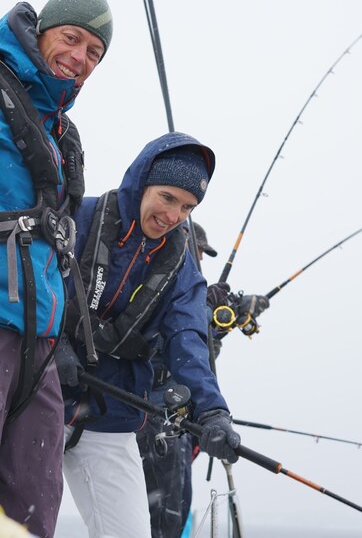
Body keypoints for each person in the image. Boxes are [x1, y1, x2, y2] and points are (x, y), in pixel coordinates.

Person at [55, 131, 242, 538]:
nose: (175, 215)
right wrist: (53, 346)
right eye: (168, 197)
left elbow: (188, 337)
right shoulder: (79, 217)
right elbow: (37, 280)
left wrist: (212, 410)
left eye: (188, 207)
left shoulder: (183, 270)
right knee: (24, 520)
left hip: (111, 414)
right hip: (38, 393)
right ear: (142, 182)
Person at [0, 0, 112, 538]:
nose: (80, 57)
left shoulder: (61, 135)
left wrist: (63, 342)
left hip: (40, 347)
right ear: (41, 31)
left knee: (34, 509)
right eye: (72, 38)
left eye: (94, 51)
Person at [137, 221, 270, 538]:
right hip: (154, 421)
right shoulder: (154, 283)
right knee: (161, 520)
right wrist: (206, 314)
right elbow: (164, 342)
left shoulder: (190, 295)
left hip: (179, 426)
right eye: (197, 250)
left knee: (174, 513)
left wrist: (220, 321)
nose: (199, 257)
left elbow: (193, 346)